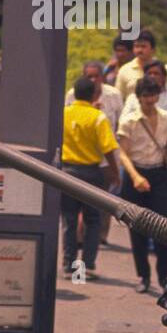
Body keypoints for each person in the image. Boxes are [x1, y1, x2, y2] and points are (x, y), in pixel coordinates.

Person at [117, 77, 167, 293]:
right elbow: (122, 152)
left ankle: (165, 276)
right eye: (146, 96)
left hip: (159, 173)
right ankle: (143, 275)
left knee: (165, 228)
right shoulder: (129, 121)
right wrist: (134, 176)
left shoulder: (166, 118)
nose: (150, 100)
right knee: (138, 228)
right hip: (137, 172)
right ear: (138, 97)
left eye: (153, 95)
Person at [60, 76, 121, 280]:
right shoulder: (98, 117)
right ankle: (85, 268)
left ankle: (69, 265)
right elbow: (109, 148)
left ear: (74, 94)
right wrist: (115, 172)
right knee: (92, 220)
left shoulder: (63, 113)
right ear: (94, 95)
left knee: (68, 220)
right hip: (91, 174)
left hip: (66, 172)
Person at [115, 30, 167, 100]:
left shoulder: (165, 69)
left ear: (153, 50)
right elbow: (118, 98)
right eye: (137, 46)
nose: (139, 50)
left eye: (143, 46)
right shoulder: (124, 70)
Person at [66, 60, 125, 131]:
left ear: (102, 77)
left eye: (97, 76)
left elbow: (121, 122)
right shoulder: (72, 94)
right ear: (83, 77)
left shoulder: (114, 94)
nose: (93, 80)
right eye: (89, 77)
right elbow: (67, 121)